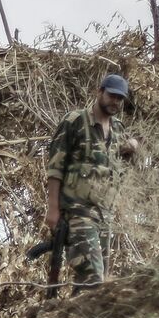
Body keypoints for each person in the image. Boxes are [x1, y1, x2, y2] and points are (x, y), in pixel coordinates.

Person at [44, 74, 140, 290]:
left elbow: (116, 163)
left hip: (104, 216)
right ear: (100, 92)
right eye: (112, 96)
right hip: (77, 213)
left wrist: (132, 146)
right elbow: (55, 168)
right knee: (94, 278)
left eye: (120, 98)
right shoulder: (75, 121)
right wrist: (52, 209)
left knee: (95, 286)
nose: (115, 102)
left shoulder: (118, 129)